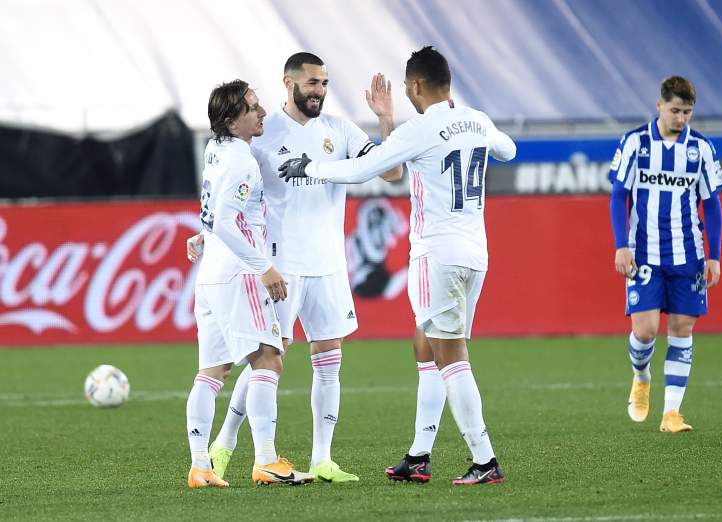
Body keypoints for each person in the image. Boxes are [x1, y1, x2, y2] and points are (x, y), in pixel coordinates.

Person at [279, 46, 517, 485]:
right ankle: (419, 455)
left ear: (417, 86)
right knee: (425, 345)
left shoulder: (420, 129)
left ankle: (484, 460)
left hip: (435, 255)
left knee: (450, 356)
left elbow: (363, 169)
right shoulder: (477, 119)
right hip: (476, 255)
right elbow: (507, 149)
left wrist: (310, 166)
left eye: (408, 87)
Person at [188, 52, 403, 483]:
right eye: (311, 84)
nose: (319, 91)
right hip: (278, 263)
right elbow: (233, 198)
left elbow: (393, 171)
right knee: (266, 356)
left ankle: (322, 458)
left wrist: (385, 121)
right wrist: (208, 233)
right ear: (289, 84)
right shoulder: (263, 135)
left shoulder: (340, 130)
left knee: (330, 360)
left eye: (324, 83)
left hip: (328, 263)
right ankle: (227, 441)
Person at [186, 79, 313, 488]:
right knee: (269, 358)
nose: (261, 113)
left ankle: (200, 466)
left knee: (210, 373)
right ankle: (266, 461)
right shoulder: (242, 160)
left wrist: (202, 233)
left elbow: (215, 211)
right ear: (231, 120)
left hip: (210, 275)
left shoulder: (215, 148)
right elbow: (227, 218)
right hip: (240, 274)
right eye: (252, 108)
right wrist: (264, 268)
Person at [608, 75, 722, 432]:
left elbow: (712, 204)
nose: (681, 118)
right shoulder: (635, 143)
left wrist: (714, 255)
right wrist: (621, 245)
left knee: (682, 327)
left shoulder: (701, 149)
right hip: (644, 252)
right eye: (675, 110)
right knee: (644, 332)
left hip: (687, 252)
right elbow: (618, 196)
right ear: (659, 106)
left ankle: (671, 413)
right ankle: (641, 377)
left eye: (687, 112)